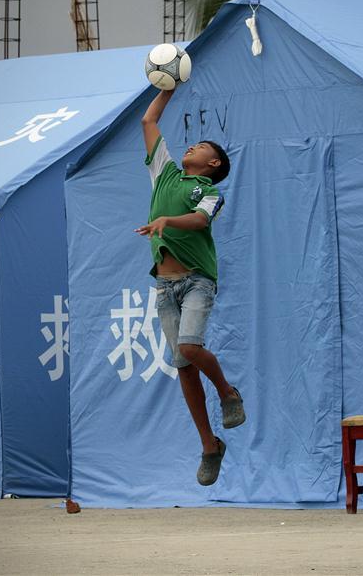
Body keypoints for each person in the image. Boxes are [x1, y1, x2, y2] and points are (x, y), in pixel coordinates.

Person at [136, 88, 245, 486]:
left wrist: (167, 221)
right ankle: (209, 445)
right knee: (183, 366)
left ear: (213, 163)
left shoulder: (211, 192)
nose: (191, 146)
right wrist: (167, 87)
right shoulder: (163, 172)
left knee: (188, 348)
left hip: (198, 280)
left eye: (201, 146)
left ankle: (228, 392)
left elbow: (200, 221)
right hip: (165, 286)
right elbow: (149, 122)